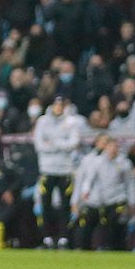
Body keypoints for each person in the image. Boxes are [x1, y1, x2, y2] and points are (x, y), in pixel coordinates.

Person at [33, 96, 80, 249]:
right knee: (45, 204)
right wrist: (61, 144)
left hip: (65, 170)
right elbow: (39, 145)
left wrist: (54, 143)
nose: (58, 107)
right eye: (56, 104)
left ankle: (63, 238)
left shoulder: (71, 122)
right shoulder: (42, 121)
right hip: (47, 169)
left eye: (61, 105)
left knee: (65, 205)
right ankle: (47, 237)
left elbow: (74, 143)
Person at [80, 137, 135, 251]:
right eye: (110, 147)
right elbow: (89, 179)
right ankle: (85, 247)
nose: (113, 149)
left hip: (118, 198)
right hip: (101, 199)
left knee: (115, 222)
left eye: (115, 147)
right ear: (106, 148)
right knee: (91, 222)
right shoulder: (97, 162)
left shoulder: (124, 163)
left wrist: (132, 202)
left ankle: (116, 248)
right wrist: (86, 191)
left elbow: (130, 184)